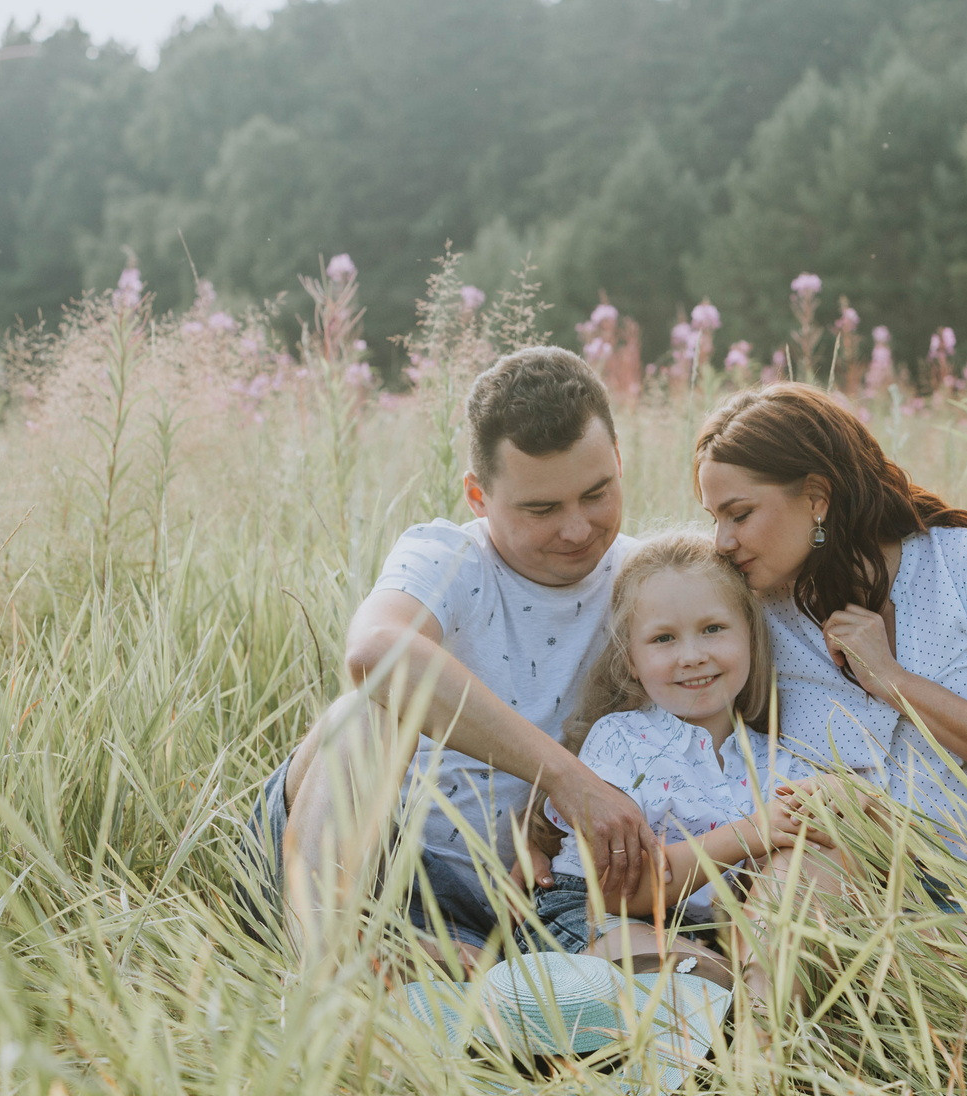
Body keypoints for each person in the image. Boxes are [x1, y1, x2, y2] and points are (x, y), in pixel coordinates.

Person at [240, 347, 659, 969]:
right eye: (541, 509)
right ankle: (328, 970)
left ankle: (446, 968)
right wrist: (569, 782)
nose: (576, 529)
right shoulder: (446, 558)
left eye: (597, 494)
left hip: (537, 897)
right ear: (477, 495)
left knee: (655, 973)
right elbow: (374, 653)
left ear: (619, 462)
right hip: (377, 860)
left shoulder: (650, 579)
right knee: (366, 709)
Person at [693, 382, 967, 879]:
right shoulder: (749, 612)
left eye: (740, 514)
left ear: (816, 497)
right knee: (813, 861)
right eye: (715, 518)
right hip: (822, 879)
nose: (722, 541)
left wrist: (893, 681)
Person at [535, 531, 834, 1005]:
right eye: (663, 639)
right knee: (696, 975)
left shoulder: (777, 760)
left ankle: (732, 1038)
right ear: (631, 660)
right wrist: (754, 832)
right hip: (602, 916)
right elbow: (621, 892)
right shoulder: (621, 740)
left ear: (751, 638)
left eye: (713, 629)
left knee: (734, 980)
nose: (692, 655)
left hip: (708, 928)